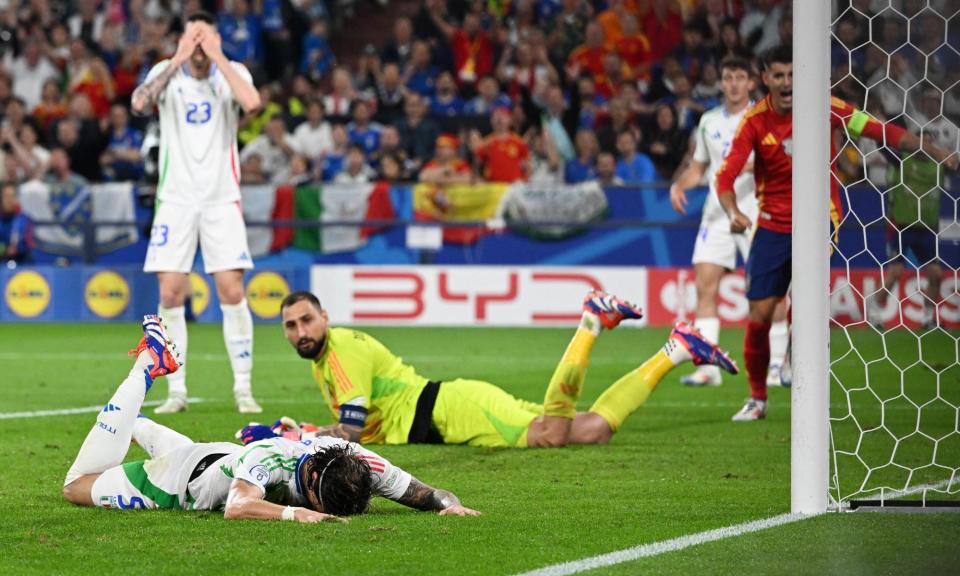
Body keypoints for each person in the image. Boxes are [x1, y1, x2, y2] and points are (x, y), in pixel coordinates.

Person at [715, 45, 959, 421]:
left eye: (793, 74)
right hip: (771, 226)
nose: (786, 83)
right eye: (778, 75)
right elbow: (726, 177)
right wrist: (733, 212)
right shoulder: (754, 121)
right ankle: (757, 398)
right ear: (765, 79)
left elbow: (879, 130)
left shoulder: (824, 106)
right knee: (759, 314)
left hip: (818, 221)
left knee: (806, 301)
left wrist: (933, 149)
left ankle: (797, 358)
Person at [62, 316, 479, 520]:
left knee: (129, 424)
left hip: (218, 458)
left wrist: (451, 504)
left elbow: (425, 494)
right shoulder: (272, 457)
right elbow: (238, 506)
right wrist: (295, 514)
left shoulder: (358, 463)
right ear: (311, 482)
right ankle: (147, 366)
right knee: (75, 485)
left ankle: (129, 417)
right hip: (177, 482)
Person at [277, 290, 737, 447]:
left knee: (550, 435)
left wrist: (304, 442)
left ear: (325, 318)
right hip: (444, 409)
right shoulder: (324, 357)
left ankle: (591, 322)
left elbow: (353, 431)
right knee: (592, 431)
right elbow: (357, 424)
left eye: (307, 321)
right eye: (291, 325)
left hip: (445, 411)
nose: (301, 331)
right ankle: (677, 349)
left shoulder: (339, 352)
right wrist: (313, 430)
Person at [132, 12, 263, 414]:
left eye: (207, 37)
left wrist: (219, 56)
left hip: (222, 197)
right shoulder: (166, 72)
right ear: (184, 39)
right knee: (170, 292)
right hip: (176, 199)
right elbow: (139, 103)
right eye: (194, 37)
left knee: (232, 290)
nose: (200, 44)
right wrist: (177, 58)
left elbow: (253, 104)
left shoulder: (232, 71)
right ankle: (177, 392)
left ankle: (243, 389)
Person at [669, 56, 789, 388]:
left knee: (773, 293)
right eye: (727, 77)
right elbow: (700, 167)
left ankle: (778, 365)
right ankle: (708, 366)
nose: (733, 83)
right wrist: (679, 184)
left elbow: (775, 161)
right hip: (717, 213)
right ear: (721, 82)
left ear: (751, 83)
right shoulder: (708, 121)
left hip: (757, 210)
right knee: (705, 284)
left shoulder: (765, 117)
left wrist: (737, 166)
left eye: (740, 77)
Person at [868, 87, 958, 329]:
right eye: (921, 142)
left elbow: (954, 162)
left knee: (937, 275)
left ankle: (928, 318)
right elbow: (883, 145)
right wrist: (880, 123)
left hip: (927, 227)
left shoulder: (938, 167)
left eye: (929, 143)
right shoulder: (901, 161)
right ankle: (875, 311)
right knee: (895, 273)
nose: (925, 146)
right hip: (901, 225)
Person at [0, 181, 31, 263]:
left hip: (21, 266)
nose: (9, 200)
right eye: (6, 196)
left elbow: (30, 246)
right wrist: (5, 249)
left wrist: (18, 249)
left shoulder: (25, 219)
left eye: (12, 196)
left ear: (17, 198)